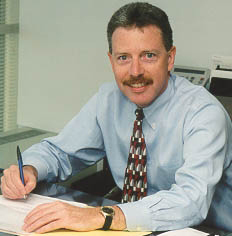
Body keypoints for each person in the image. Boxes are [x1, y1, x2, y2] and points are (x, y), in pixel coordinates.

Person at [1, 1, 232, 234]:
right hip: (138, 227)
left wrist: (104, 215)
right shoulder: (108, 99)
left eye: (148, 55)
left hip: (209, 229)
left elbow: (192, 200)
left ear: (170, 58)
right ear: (111, 60)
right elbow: (61, 152)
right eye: (124, 58)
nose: (135, 72)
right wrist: (29, 169)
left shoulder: (204, 113)